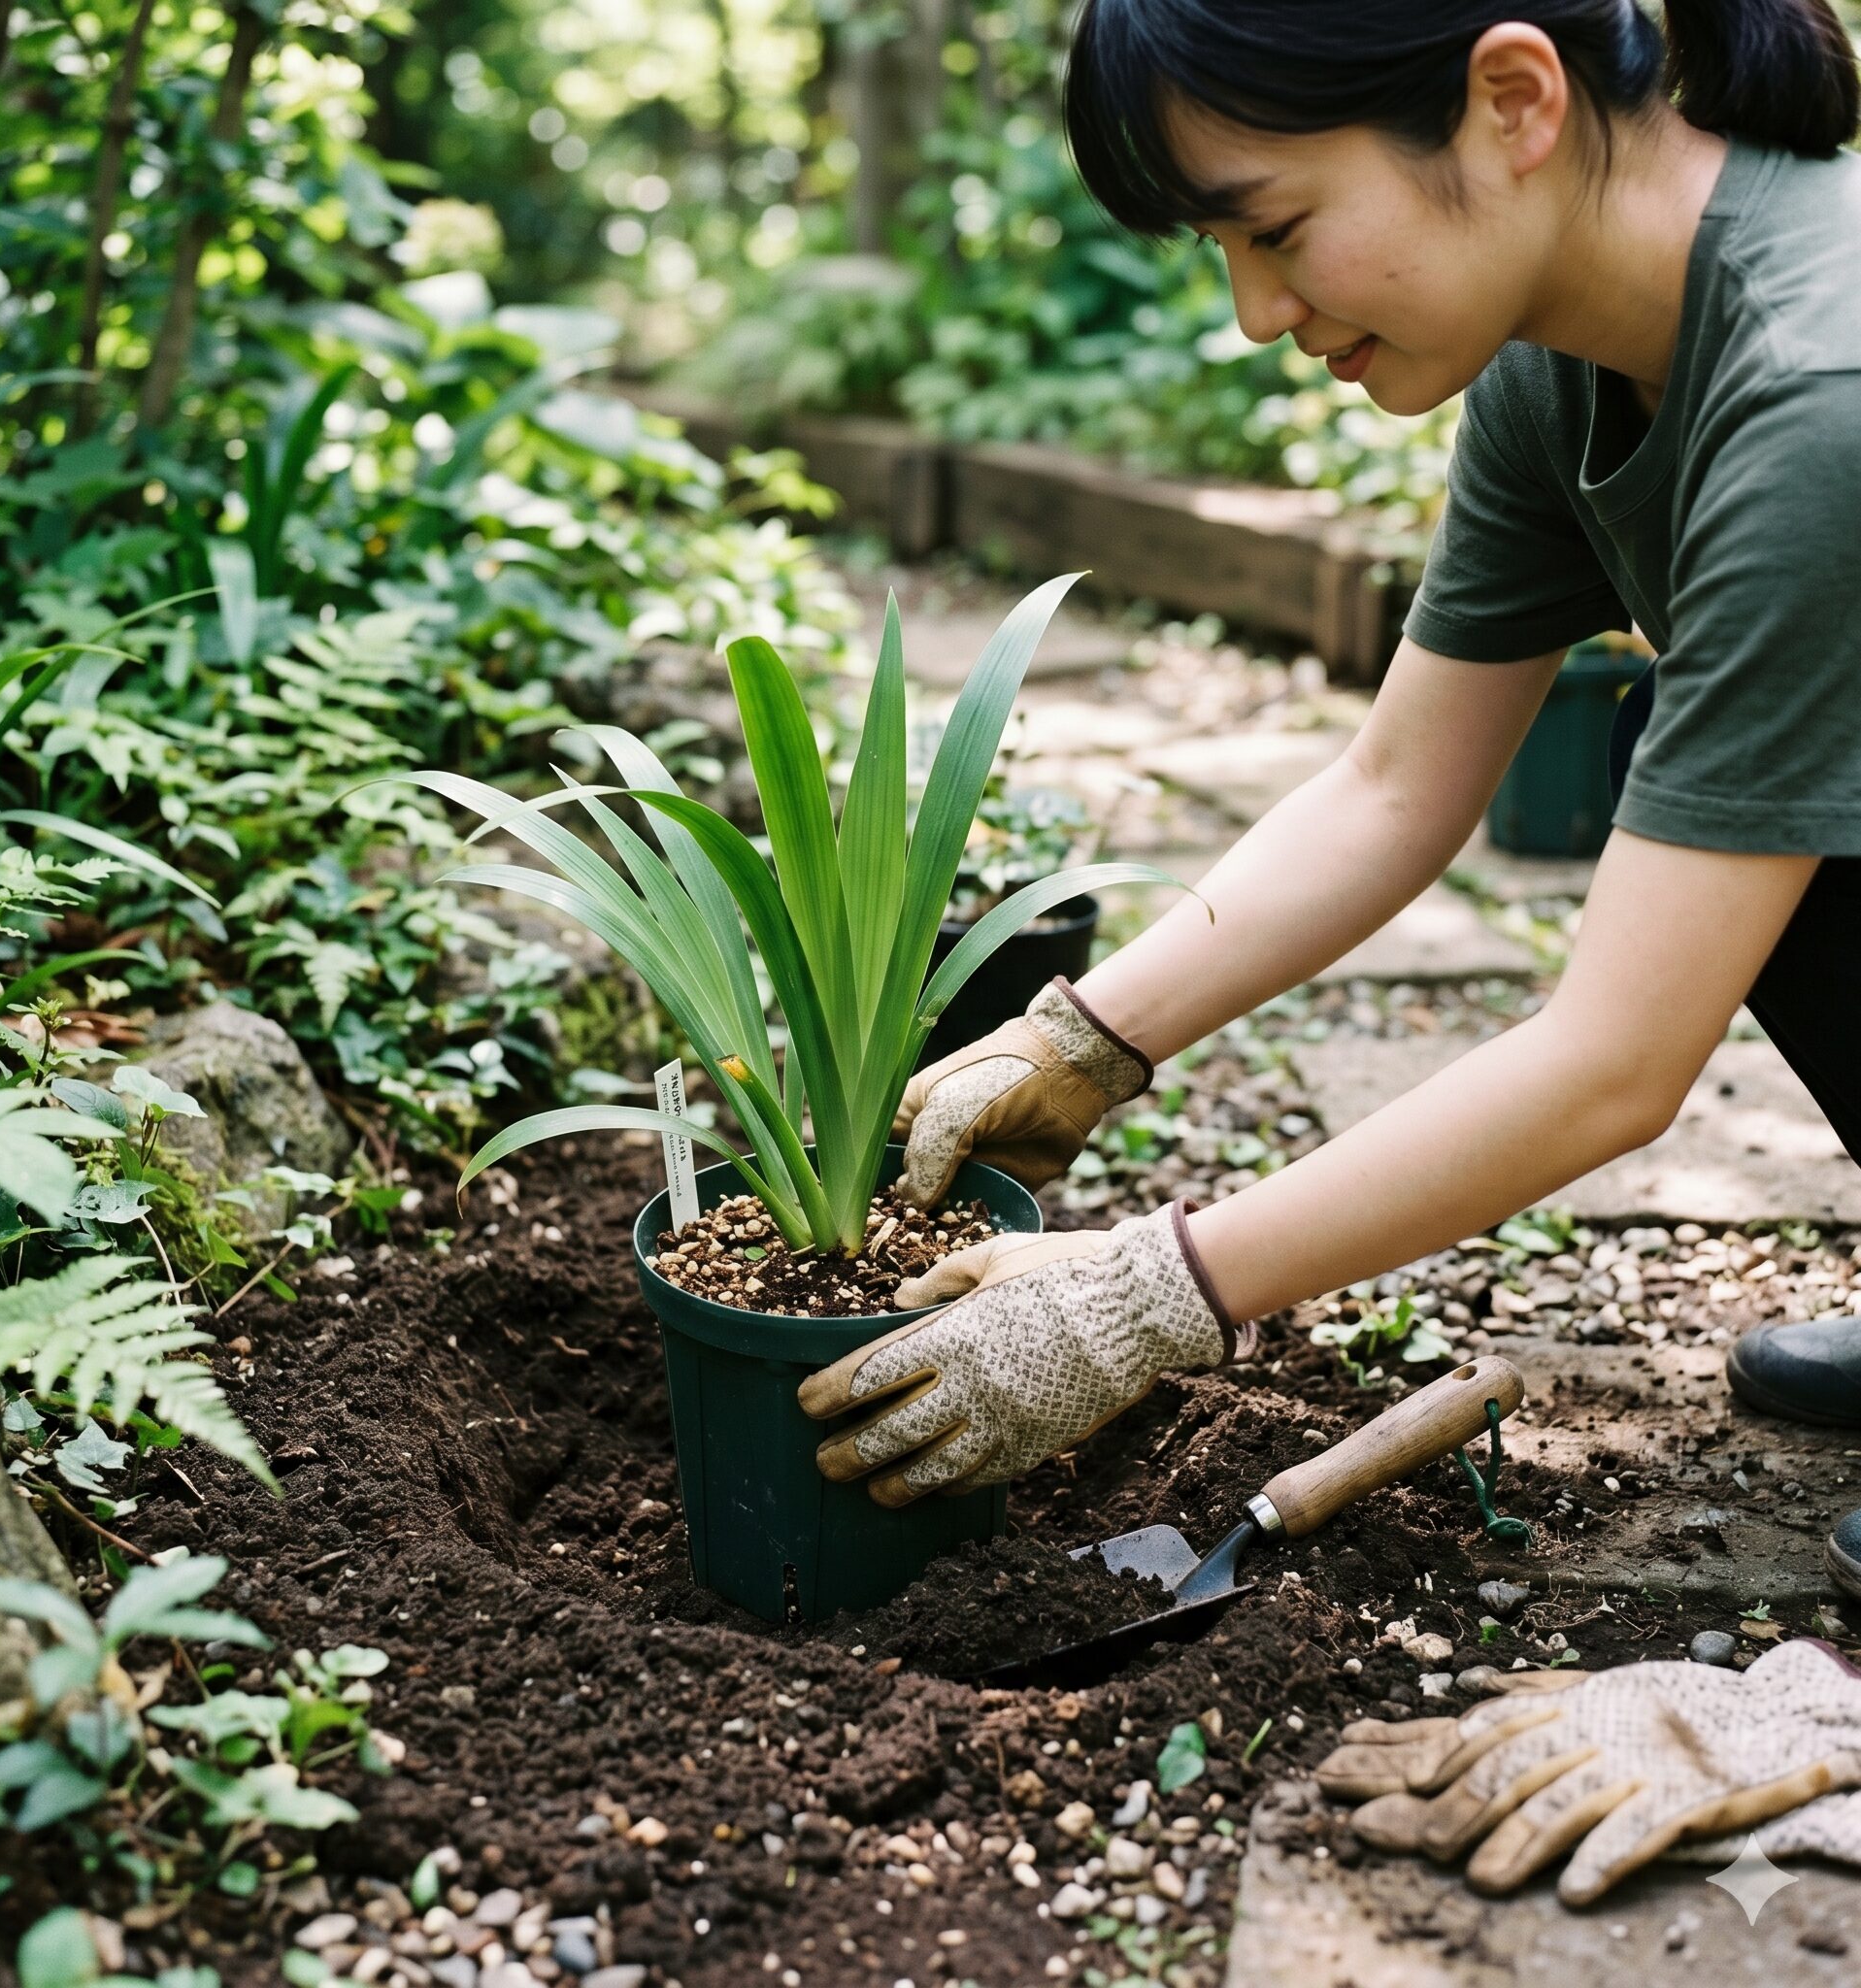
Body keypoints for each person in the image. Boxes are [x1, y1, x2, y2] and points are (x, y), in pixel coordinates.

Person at [795, 0, 1861, 1898]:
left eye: (1269, 225)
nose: (1248, 312)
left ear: (1512, 99)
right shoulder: (1572, 359)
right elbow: (1392, 787)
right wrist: (1085, 1038)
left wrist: (1151, 1294)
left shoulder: (1821, 394)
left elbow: (1618, 1057)